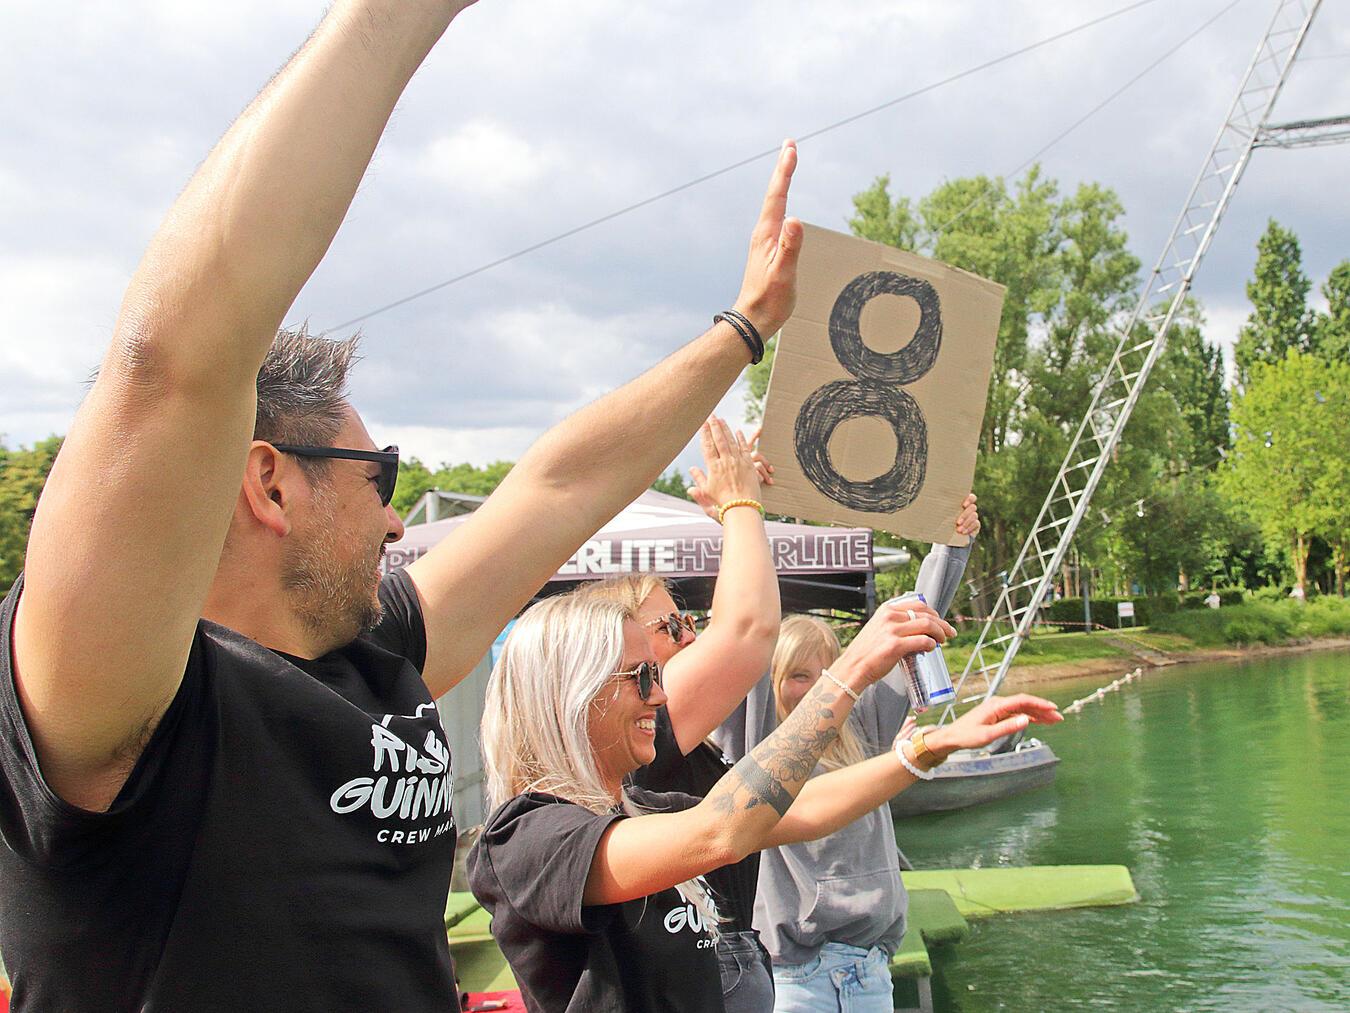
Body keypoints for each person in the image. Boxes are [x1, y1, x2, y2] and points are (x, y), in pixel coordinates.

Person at [0, 2, 806, 1009]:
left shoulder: (377, 652)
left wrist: (742, 329)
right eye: (376, 474)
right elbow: (172, 360)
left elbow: (558, 485)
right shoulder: (117, 699)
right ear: (267, 480)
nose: (395, 520)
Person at [467, 590, 1056, 1012]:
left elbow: (803, 809)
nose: (661, 695)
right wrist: (846, 674)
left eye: (656, 673)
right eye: (638, 678)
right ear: (569, 695)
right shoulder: (529, 839)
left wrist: (931, 745)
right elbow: (722, 831)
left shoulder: (643, 813)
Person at [716, 497, 988, 1012]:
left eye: (826, 671)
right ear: (771, 683)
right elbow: (742, 632)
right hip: (794, 975)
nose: (817, 687)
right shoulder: (757, 739)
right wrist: (739, 513)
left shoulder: (865, 721)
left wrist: (951, 543)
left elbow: (916, 620)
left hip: (869, 970)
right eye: (798, 675)